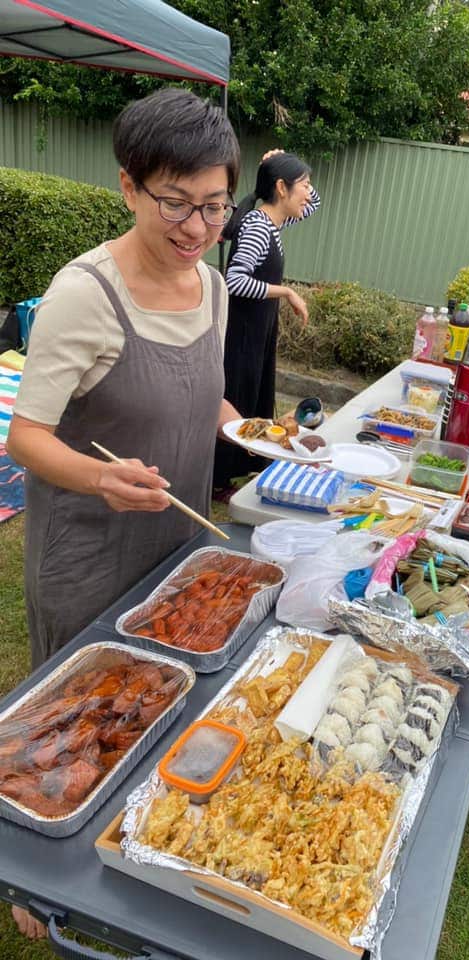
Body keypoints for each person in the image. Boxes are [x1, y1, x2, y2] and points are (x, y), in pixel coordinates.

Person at [7, 87, 242, 668]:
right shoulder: (85, 294)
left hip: (180, 552)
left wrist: (246, 428)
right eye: (176, 203)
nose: (197, 228)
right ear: (129, 188)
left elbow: (195, 392)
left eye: (215, 205)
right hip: (90, 561)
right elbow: (25, 437)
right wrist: (100, 478)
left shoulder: (213, 288)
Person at [213, 150, 320, 494]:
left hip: (258, 331)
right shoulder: (259, 226)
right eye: (303, 184)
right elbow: (234, 280)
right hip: (241, 334)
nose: (308, 192)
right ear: (281, 188)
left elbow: (313, 205)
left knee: (255, 396)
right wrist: (285, 292)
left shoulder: (274, 221)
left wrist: (282, 158)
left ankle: (240, 469)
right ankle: (218, 479)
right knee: (238, 400)